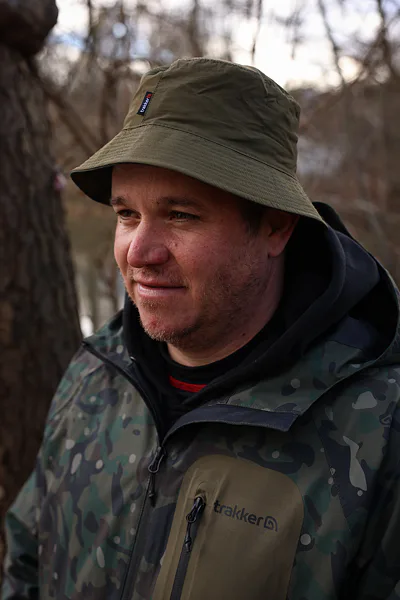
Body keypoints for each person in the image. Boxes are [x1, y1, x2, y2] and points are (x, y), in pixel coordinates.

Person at [2, 58, 400, 600]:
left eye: (181, 215)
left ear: (276, 226)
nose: (139, 252)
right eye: (126, 214)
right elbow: (27, 561)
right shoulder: (95, 372)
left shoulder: (379, 432)